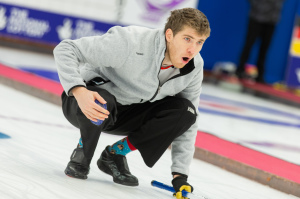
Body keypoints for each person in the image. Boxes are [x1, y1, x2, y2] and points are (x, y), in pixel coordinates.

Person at [53, 7, 210, 199]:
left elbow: (188, 124)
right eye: (187, 39)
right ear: (169, 35)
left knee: (186, 112)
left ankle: (115, 154)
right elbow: (66, 49)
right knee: (104, 100)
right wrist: (79, 90)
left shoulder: (194, 66)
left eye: (199, 42)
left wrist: (180, 175)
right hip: (83, 103)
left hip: (128, 112)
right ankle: (82, 153)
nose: (192, 49)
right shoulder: (131, 41)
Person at [236, 0, 285, 83]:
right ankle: (240, 70)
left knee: (265, 48)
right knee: (249, 44)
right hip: (257, 16)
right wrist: (258, 6)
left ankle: (260, 75)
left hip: (272, 19)